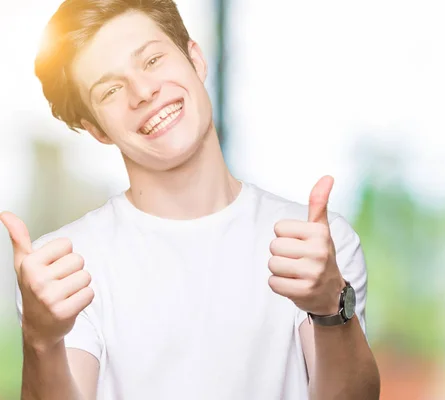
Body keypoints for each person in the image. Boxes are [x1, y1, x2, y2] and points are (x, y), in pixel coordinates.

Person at [0, 0, 380, 399]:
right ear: (96, 129)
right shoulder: (66, 266)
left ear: (195, 59)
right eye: (111, 89)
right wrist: (41, 341)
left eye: (152, 61)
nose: (143, 92)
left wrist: (329, 307)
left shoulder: (316, 246)